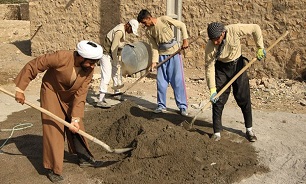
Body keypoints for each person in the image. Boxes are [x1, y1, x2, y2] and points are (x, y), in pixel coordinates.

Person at [14, 40, 104, 183]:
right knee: (54, 128)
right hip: (52, 92)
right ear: (81, 57)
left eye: (95, 62)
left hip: (71, 95)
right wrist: (20, 89)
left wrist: (75, 119)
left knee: (77, 126)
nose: (93, 66)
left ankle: (84, 157)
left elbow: (81, 94)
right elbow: (34, 65)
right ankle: (52, 168)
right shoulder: (61, 57)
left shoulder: (89, 70)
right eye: (91, 62)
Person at [204, 22, 266, 142]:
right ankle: (216, 132)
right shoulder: (210, 46)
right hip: (221, 69)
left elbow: (255, 28)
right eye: (212, 40)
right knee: (218, 99)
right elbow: (209, 67)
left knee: (243, 98)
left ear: (223, 33)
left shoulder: (234, 30)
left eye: (217, 39)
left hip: (238, 66)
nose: (215, 42)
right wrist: (212, 89)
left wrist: (260, 47)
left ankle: (249, 130)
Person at [137, 9, 189, 117]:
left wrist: (185, 40)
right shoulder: (148, 31)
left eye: (144, 22)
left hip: (174, 53)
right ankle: (161, 105)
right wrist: (154, 62)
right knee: (161, 82)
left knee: (177, 80)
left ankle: (182, 107)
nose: (144, 25)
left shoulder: (164, 20)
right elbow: (154, 47)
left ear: (148, 18)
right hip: (162, 55)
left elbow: (181, 25)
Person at [97, 19, 139, 108]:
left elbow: (118, 48)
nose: (131, 32)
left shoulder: (123, 30)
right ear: (128, 25)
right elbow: (113, 48)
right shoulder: (119, 32)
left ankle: (117, 93)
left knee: (116, 73)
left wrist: (117, 60)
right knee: (106, 75)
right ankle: (100, 99)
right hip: (106, 54)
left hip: (113, 55)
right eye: (131, 30)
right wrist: (115, 60)